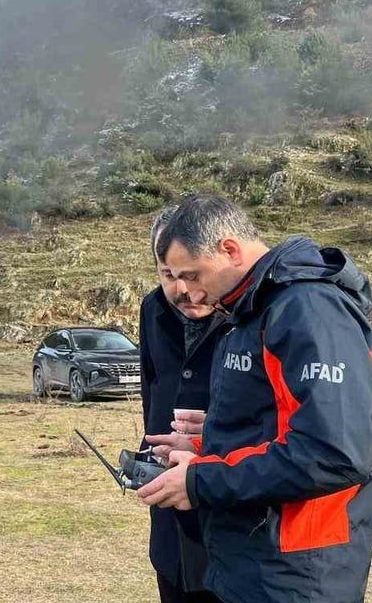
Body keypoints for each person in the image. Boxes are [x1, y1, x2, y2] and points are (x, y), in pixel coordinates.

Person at [138, 194, 372, 603]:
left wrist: (202, 479)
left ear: (230, 249)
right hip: (251, 560)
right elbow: (273, 426)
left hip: (298, 569)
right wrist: (205, 445)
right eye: (173, 278)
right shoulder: (250, 311)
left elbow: (334, 452)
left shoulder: (308, 310)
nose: (190, 295)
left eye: (193, 275)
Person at [140, 206, 227, 603]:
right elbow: (153, 391)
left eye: (189, 274)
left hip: (231, 515)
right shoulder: (152, 310)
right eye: (167, 275)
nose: (181, 289)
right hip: (169, 525)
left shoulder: (252, 317)